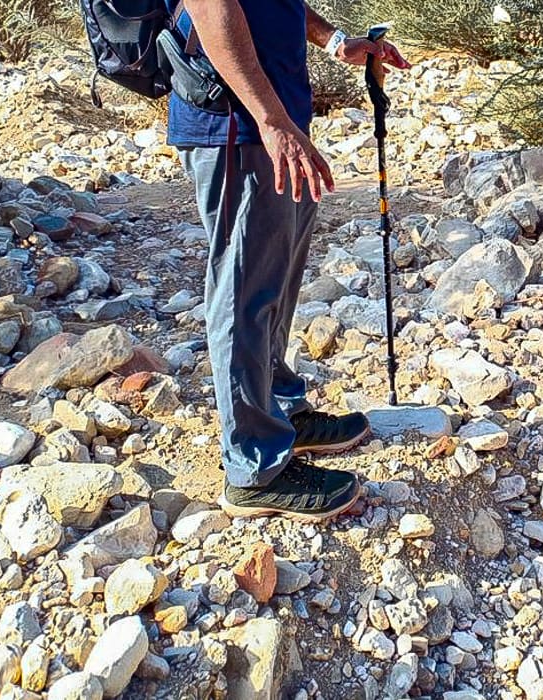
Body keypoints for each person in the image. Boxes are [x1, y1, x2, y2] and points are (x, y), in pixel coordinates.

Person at [171, 0, 410, 521]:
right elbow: (213, 9)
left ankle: (280, 412)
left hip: (276, 122)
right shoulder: (256, 122)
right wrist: (271, 120)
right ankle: (253, 468)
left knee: (274, 280)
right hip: (237, 125)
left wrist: (334, 41)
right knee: (243, 290)